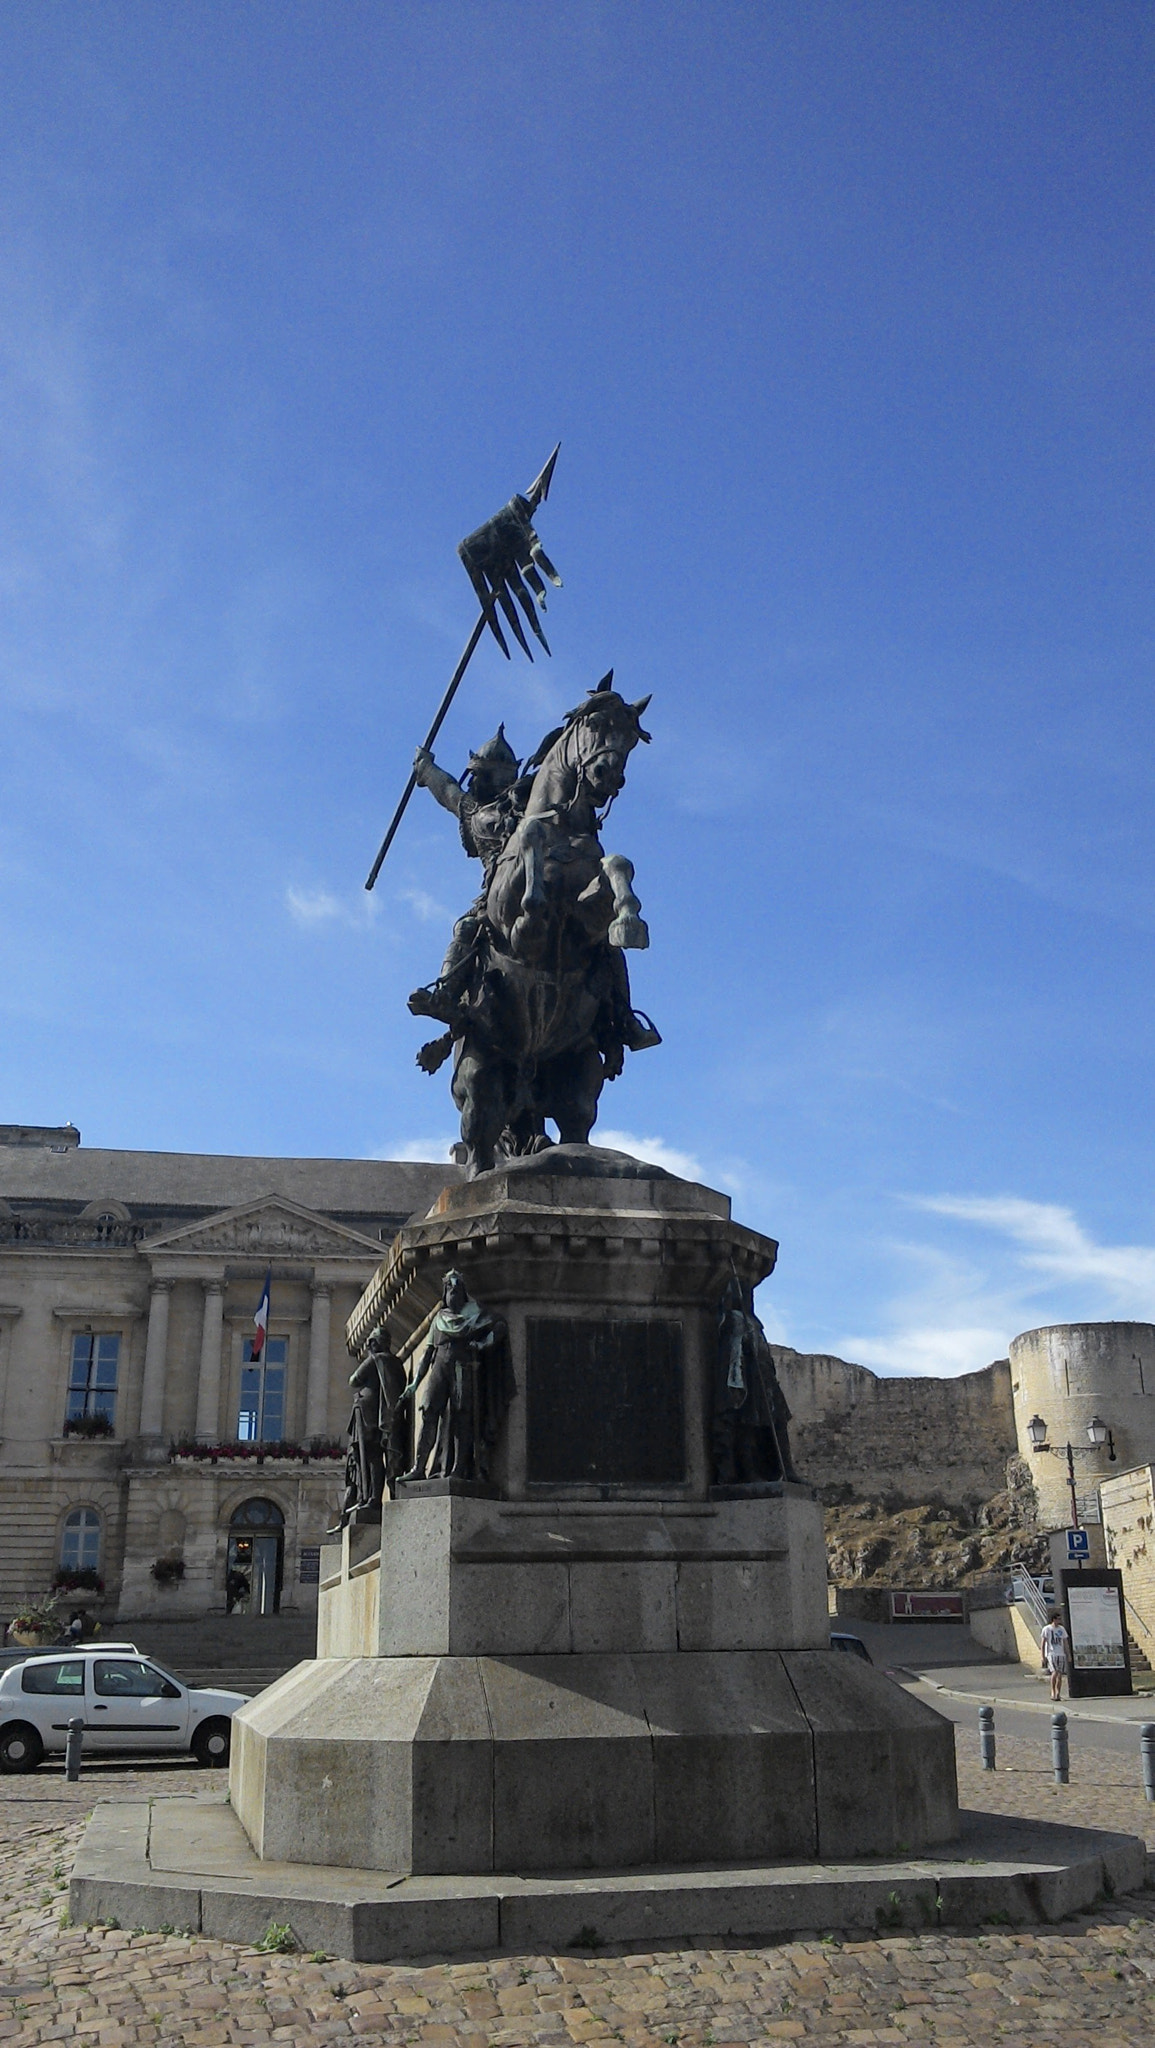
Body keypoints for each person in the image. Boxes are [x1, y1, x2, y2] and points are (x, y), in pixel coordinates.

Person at [1040, 1608, 1071, 1700]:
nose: (1059, 1621)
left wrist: (1068, 1654)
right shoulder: (1047, 1629)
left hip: (1060, 1654)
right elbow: (1043, 1643)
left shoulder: (1061, 1629)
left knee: (1060, 1674)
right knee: (1054, 1672)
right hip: (1051, 1653)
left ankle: (1058, 1693)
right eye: (1058, 1619)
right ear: (1053, 1619)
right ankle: (1053, 1691)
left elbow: (1065, 1642)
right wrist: (1042, 1656)